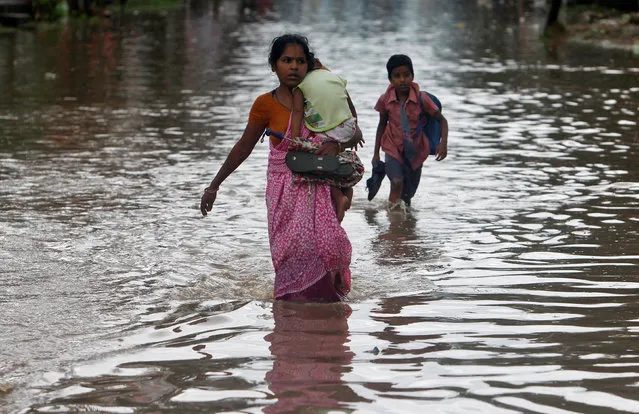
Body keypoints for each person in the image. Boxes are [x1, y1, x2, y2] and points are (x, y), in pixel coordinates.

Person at [200, 34, 362, 303]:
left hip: (320, 186)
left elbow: (353, 130)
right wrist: (214, 186)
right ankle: (292, 318)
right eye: (286, 60)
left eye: (300, 61)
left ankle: (328, 320)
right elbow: (243, 146)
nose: (294, 67)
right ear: (274, 65)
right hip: (284, 193)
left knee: (330, 245)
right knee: (293, 248)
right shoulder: (265, 104)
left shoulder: (319, 96)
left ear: (309, 66)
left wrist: (335, 143)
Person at [372, 54, 449, 209]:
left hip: (416, 150)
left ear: (412, 76)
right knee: (396, 182)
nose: (402, 80)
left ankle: (406, 226)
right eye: (397, 76)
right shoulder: (385, 99)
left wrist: (443, 143)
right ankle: (394, 225)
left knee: (407, 195)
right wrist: (376, 153)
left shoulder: (422, 99)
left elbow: (442, 120)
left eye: (406, 75)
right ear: (390, 79)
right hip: (392, 147)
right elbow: (381, 125)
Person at [290, 59, 360, 222]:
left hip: (330, 128)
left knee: (323, 159)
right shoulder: (335, 77)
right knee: (335, 157)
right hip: (349, 125)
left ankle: (338, 196)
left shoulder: (300, 86)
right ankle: (347, 188)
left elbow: (298, 111)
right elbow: (351, 107)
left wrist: (295, 140)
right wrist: (355, 128)